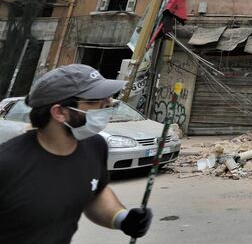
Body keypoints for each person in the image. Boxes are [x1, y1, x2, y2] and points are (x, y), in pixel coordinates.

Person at [0, 64, 154, 243]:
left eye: (107, 99)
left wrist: (123, 218)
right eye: (94, 100)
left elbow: (93, 193)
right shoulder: (7, 163)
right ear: (59, 112)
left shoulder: (95, 146)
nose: (108, 104)